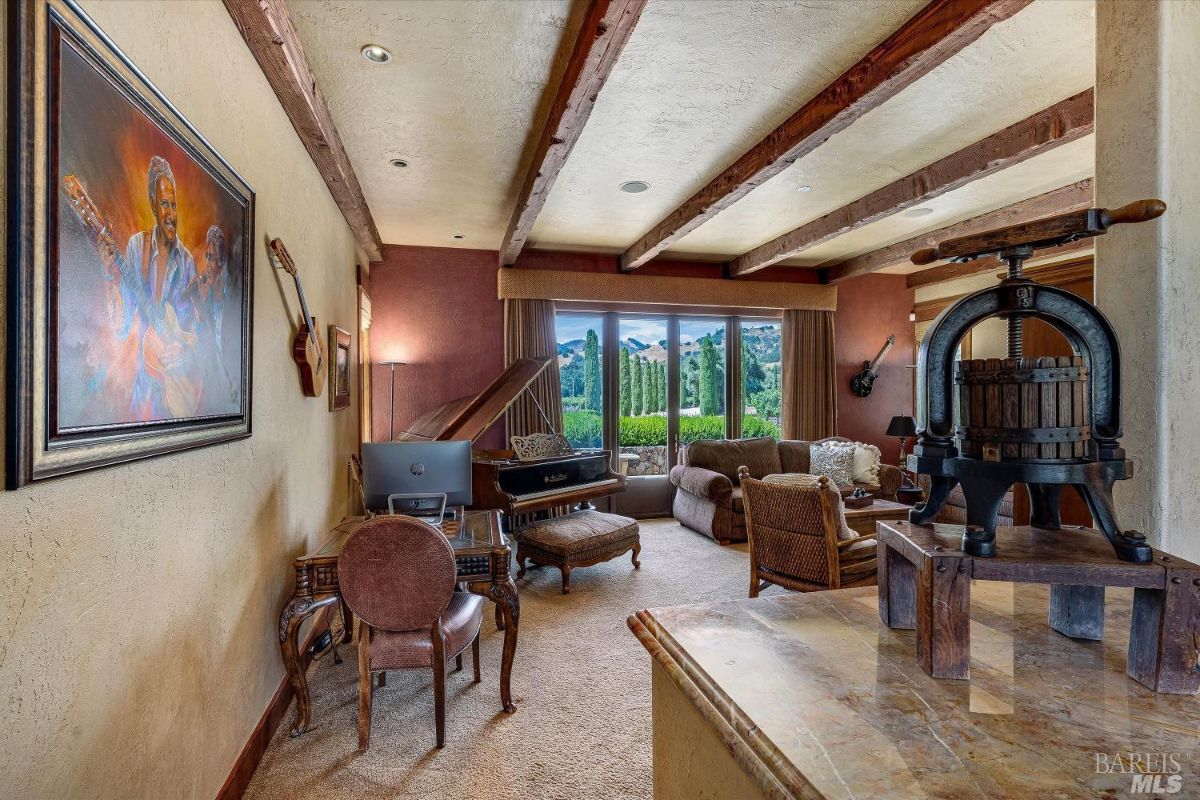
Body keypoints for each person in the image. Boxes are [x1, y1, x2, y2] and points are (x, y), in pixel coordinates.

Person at [99, 155, 199, 420]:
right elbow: (120, 327)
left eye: (174, 205)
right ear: (154, 207)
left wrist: (185, 351)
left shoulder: (187, 262)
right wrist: (110, 276)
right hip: (145, 396)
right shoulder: (135, 248)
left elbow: (198, 332)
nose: (170, 214)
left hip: (179, 388)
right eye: (164, 204)